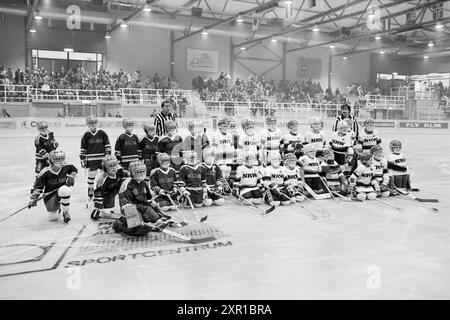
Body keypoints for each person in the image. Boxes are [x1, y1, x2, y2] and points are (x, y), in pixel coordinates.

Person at [113, 161, 168, 236]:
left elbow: (149, 200)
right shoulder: (126, 184)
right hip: (130, 209)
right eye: (138, 172)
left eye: (143, 171)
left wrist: (158, 213)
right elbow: (126, 206)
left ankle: (146, 221)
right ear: (132, 172)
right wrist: (137, 219)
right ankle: (120, 223)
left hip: (142, 208)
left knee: (157, 221)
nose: (141, 174)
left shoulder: (143, 182)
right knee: (138, 230)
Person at [28, 150, 77, 223]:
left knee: (64, 190)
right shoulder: (45, 172)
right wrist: (33, 198)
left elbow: (74, 170)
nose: (60, 161)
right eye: (57, 159)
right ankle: (57, 207)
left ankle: (65, 212)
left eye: (62, 159)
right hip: (50, 195)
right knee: (53, 218)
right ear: (51, 160)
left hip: (61, 191)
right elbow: (38, 187)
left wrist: (72, 177)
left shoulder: (66, 166)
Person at [80, 116, 111, 205]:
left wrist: (108, 155)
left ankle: (101, 188)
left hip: (102, 158)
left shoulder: (102, 133)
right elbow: (83, 148)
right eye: (90, 123)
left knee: (103, 175)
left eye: (94, 123)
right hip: (91, 158)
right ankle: (90, 188)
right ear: (87, 124)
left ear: (97, 123)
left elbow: (107, 145)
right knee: (91, 175)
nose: (93, 125)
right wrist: (83, 159)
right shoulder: (86, 135)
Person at [91, 155, 130, 220]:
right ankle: (105, 210)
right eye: (110, 166)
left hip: (117, 187)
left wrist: (129, 174)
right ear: (105, 167)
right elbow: (98, 192)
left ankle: (127, 207)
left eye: (115, 165)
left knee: (126, 186)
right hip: (107, 193)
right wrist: (97, 208)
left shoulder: (119, 169)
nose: (113, 168)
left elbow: (123, 175)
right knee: (108, 209)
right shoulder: (102, 178)